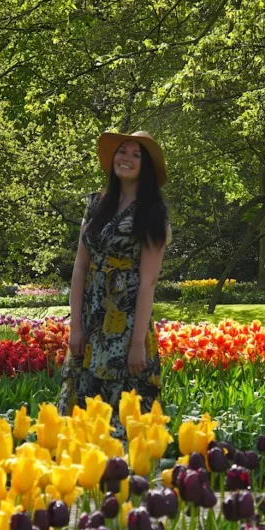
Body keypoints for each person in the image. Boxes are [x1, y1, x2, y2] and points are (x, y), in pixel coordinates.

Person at [58, 129, 171, 437]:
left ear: (145, 166)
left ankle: (119, 471)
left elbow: (148, 282)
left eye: (137, 155)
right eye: (123, 151)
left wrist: (137, 345)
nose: (127, 158)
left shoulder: (153, 213)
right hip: (91, 318)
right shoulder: (96, 204)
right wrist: (76, 327)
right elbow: (80, 268)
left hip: (125, 319)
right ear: (113, 158)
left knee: (122, 405)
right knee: (81, 403)